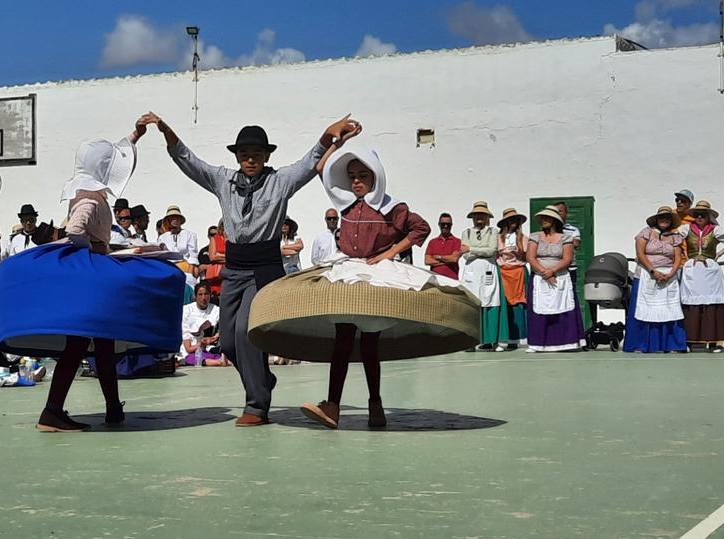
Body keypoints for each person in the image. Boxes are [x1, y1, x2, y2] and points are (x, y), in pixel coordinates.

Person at [139, 112, 358, 426]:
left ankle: (257, 405)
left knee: (245, 332)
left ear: (267, 155)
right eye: (244, 154)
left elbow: (309, 162)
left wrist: (327, 135)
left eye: (256, 154)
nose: (250, 159)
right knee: (227, 341)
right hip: (234, 269)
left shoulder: (280, 181)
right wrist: (166, 131)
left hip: (264, 269)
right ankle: (263, 379)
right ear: (237, 156)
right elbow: (190, 161)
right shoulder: (223, 180)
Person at [247, 135, 476, 430]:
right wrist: (337, 141)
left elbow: (421, 228)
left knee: (369, 343)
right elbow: (321, 168)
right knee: (343, 337)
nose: (356, 182)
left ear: (375, 177)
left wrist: (390, 253)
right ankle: (336, 404)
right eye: (352, 176)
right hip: (349, 271)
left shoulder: (392, 207)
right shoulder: (346, 204)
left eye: (363, 176)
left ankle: (373, 404)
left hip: (375, 274)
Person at [0, 127, 184, 432]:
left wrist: (134, 138)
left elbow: (116, 163)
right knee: (81, 343)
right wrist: (89, 254)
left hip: (93, 273)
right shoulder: (91, 201)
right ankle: (53, 411)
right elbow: (75, 229)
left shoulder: (85, 193)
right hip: (91, 278)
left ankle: (111, 408)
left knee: (102, 344)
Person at [677, 200, 724, 352]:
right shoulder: (686, 229)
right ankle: (692, 341)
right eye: (697, 215)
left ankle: (712, 341)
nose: (699, 217)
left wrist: (719, 254)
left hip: (710, 270)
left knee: (712, 305)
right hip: (692, 269)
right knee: (692, 304)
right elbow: (673, 241)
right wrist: (684, 255)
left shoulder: (715, 230)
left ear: (708, 216)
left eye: (703, 215)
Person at [623, 206, 687, 353]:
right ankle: (641, 344)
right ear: (657, 219)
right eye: (661, 217)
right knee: (643, 308)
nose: (664, 220)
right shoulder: (646, 233)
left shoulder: (675, 237)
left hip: (668, 275)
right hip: (647, 273)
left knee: (669, 309)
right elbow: (640, 253)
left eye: (667, 217)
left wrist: (671, 273)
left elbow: (678, 257)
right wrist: (653, 271)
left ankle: (671, 345)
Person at [525, 206, 585, 353]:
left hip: (560, 276)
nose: (543, 220)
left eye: (547, 218)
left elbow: (567, 258)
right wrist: (543, 272)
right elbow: (530, 257)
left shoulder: (566, 238)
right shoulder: (535, 237)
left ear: (554, 220)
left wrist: (552, 271)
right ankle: (538, 343)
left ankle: (567, 342)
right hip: (540, 277)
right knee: (540, 310)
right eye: (542, 218)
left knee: (563, 309)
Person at [460, 202, 507, 351]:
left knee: (490, 300)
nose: (479, 218)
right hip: (472, 269)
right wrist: (477, 251)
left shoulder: (493, 232)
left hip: (488, 268)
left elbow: (492, 250)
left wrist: (473, 249)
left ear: (487, 217)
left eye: (482, 215)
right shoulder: (466, 233)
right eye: (476, 216)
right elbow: (465, 254)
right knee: (473, 302)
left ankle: (490, 339)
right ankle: (471, 340)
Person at [495, 208, 529, 348]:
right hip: (503, 272)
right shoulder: (498, 238)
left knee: (520, 305)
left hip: (518, 271)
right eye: (510, 220)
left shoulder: (523, 238)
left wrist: (519, 251)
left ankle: (521, 336)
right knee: (505, 305)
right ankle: (506, 337)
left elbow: (527, 256)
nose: (513, 222)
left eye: (515, 219)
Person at [180, 282, 225, 366]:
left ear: (210, 295)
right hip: (191, 350)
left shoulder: (216, 310)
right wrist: (202, 343)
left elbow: (223, 328)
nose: (203, 298)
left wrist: (214, 337)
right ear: (195, 296)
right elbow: (188, 347)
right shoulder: (186, 310)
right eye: (200, 294)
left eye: (206, 294)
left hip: (209, 348)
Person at [424, 213, 462, 279]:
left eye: (448, 224)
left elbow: (454, 259)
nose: (445, 226)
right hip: (435, 279)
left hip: (452, 280)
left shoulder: (457, 241)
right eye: (443, 224)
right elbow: (427, 261)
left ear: (451, 225)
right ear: (439, 225)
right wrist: (447, 261)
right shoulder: (432, 242)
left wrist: (438, 257)